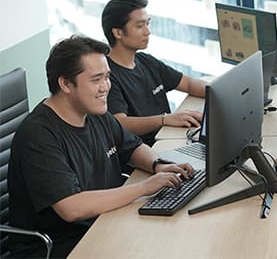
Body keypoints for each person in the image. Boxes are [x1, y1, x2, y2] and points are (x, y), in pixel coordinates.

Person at [7, 36, 194, 258]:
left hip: (105, 220)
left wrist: (157, 165)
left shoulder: (95, 112)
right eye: (96, 80)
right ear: (65, 83)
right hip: (62, 245)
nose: (105, 87)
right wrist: (144, 188)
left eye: (107, 77)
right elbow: (71, 208)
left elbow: (131, 147)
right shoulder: (39, 135)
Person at [101, 0, 207, 146]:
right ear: (118, 32)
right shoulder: (107, 76)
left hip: (170, 137)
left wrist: (219, 93)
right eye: (139, 26)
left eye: (147, 24)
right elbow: (120, 123)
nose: (147, 31)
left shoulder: (146, 61)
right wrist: (164, 119)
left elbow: (188, 84)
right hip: (147, 150)